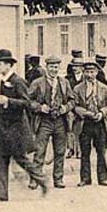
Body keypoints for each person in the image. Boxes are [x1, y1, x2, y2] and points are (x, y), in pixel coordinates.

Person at [0, 49, 48, 202]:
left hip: (16, 129)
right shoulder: (4, 80)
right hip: (5, 128)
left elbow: (27, 103)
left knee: (21, 159)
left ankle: (41, 179)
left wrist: (7, 101)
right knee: (0, 158)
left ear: (8, 65)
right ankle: (0, 194)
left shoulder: (17, 81)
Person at [28, 55, 73, 189]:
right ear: (46, 67)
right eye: (51, 67)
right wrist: (40, 107)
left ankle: (58, 179)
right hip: (43, 121)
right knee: (40, 151)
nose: (54, 69)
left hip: (60, 121)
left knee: (60, 151)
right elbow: (27, 100)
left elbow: (72, 100)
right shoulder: (37, 83)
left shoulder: (64, 83)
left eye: (56, 67)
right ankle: (35, 179)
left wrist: (66, 107)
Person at [73, 60, 107, 187]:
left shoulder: (104, 88)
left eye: (92, 72)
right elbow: (74, 105)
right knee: (84, 152)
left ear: (96, 72)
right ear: (83, 73)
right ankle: (85, 178)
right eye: (87, 72)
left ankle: (102, 178)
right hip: (84, 124)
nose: (89, 75)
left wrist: (102, 113)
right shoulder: (77, 89)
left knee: (101, 151)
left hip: (100, 123)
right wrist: (85, 113)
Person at [66, 58, 85, 159]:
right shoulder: (67, 79)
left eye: (77, 66)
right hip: (70, 108)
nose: (74, 68)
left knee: (80, 130)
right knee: (69, 129)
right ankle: (70, 149)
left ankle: (79, 150)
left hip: (81, 108)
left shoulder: (85, 79)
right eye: (73, 66)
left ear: (82, 68)